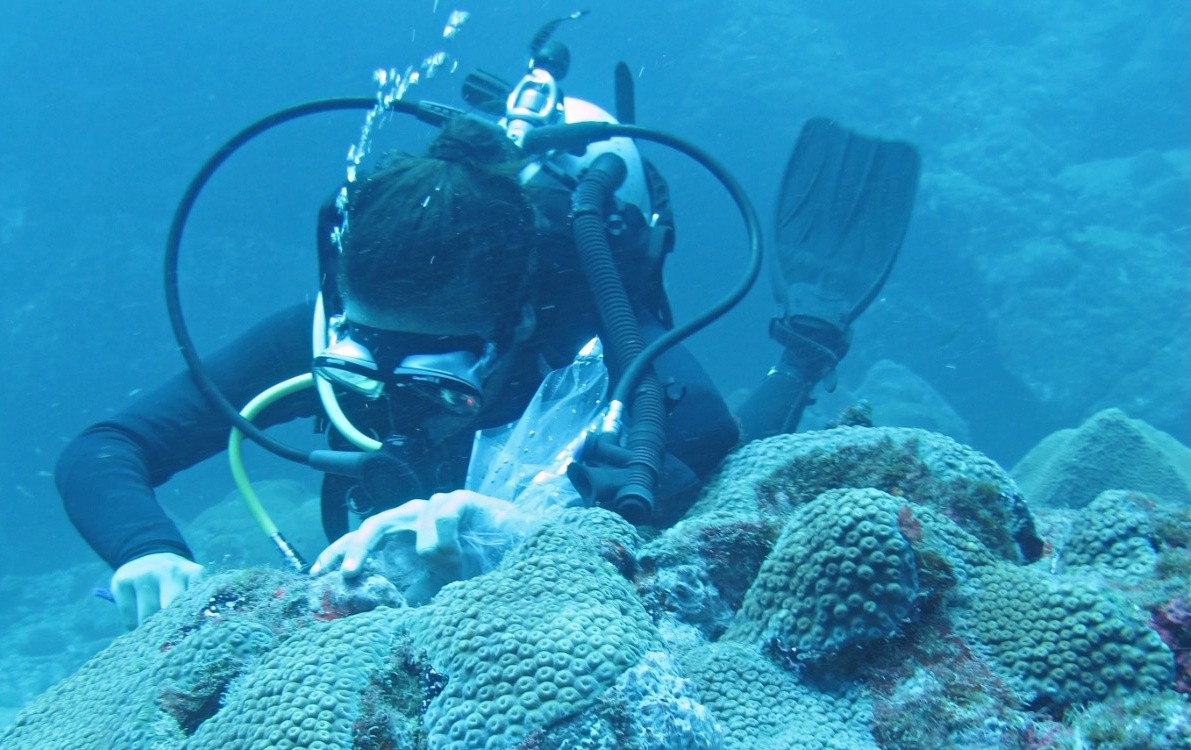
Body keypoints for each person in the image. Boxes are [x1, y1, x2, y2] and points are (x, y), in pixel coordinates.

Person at [57, 108, 918, 629]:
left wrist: (540, 514)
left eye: (432, 364)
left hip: (566, 494)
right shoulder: (323, 330)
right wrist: (146, 553)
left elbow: (703, 431)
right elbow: (106, 448)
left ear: (519, 320)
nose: (389, 390)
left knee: (724, 478)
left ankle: (809, 342)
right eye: (365, 353)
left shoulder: (580, 318)